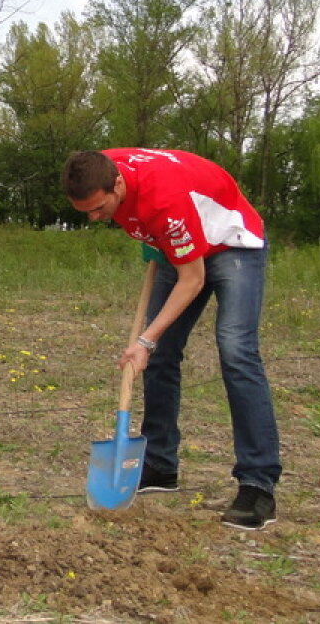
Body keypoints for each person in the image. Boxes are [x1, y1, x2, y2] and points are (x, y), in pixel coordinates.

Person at [62, 148, 281, 530]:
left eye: (99, 209)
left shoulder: (164, 201)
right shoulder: (102, 166)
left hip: (230, 243)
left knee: (235, 349)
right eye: (86, 212)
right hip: (177, 243)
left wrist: (144, 340)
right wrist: (152, 238)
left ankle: (257, 483)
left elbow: (192, 280)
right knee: (161, 354)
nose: (95, 218)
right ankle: (160, 465)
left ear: (117, 183)